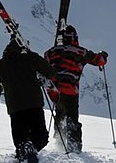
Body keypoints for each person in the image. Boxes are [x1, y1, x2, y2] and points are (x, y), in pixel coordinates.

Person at [0, 38, 58, 163]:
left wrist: (1, 87)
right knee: (41, 136)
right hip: (34, 104)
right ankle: (31, 147)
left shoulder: (1, 64)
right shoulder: (31, 58)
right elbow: (51, 73)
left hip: (15, 108)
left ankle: (23, 156)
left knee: (20, 139)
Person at [44, 25, 108, 153]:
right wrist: (103, 55)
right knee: (72, 118)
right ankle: (74, 147)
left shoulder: (50, 52)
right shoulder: (81, 52)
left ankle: (59, 141)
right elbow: (99, 61)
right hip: (71, 91)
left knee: (60, 114)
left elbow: (45, 66)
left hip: (56, 91)